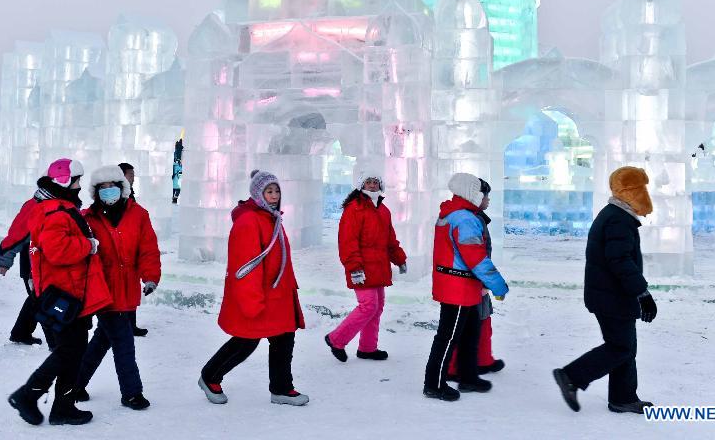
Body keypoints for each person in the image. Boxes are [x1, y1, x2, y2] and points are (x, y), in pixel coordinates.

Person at [7, 159, 112, 426]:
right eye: (76, 181)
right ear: (64, 183)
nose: (79, 186)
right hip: (66, 294)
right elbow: (58, 250)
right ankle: (27, 395)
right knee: (68, 352)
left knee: (73, 353)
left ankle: (63, 406)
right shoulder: (55, 212)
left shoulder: (60, 207)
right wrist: (88, 245)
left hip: (73, 292)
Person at [198, 170, 308, 406]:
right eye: (269, 191)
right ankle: (210, 376)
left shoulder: (271, 217)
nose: (274, 195)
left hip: (277, 295)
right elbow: (245, 265)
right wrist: (251, 300)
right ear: (258, 193)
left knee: (283, 339)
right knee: (246, 341)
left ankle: (281, 388)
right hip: (260, 295)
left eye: (277, 191)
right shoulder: (249, 221)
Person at [553, 166, 657, 415]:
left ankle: (623, 398)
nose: (644, 193)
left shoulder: (617, 216)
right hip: (611, 297)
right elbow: (619, 260)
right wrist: (642, 293)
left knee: (625, 348)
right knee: (620, 347)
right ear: (630, 192)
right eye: (640, 189)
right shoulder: (617, 220)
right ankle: (571, 376)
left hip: (612, 295)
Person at [74, 165, 161, 411]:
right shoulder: (88, 217)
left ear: (122, 187)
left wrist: (150, 276)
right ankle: (132, 393)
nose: (108, 191)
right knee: (123, 341)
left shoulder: (139, 214)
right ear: (95, 192)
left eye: (112, 186)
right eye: (102, 188)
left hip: (128, 287)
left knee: (103, 339)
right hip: (103, 289)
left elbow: (148, 248)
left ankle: (76, 383)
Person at [423, 173, 509, 402]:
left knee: (471, 334)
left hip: (463, 286)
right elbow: (476, 259)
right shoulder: (465, 219)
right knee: (448, 337)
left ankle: (469, 377)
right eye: (485, 195)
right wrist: (498, 285)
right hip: (458, 288)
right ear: (473, 194)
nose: (487, 200)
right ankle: (434, 384)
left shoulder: (458, 215)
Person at [325, 174, 406, 362]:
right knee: (368, 306)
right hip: (360, 267)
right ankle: (336, 339)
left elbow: (390, 240)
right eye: (368, 182)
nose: (372, 185)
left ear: (380, 185)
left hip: (379, 266)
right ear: (361, 185)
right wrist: (354, 268)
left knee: (376, 308)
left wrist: (399, 259)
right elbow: (347, 241)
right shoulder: (354, 209)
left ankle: (367, 348)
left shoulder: (383, 210)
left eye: (375, 182)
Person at [0, 180, 59, 346]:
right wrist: (4, 260)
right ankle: (55, 343)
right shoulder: (35, 206)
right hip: (34, 264)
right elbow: (17, 235)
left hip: (46, 263)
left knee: (36, 299)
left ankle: (21, 332)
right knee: (44, 301)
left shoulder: (55, 204)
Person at [118, 162, 148, 337]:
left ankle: (131, 324)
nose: (133, 178)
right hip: (123, 249)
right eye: (131, 174)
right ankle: (126, 325)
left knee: (131, 288)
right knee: (124, 289)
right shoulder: (117, 196)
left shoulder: (130, 195)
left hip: (131, 249)